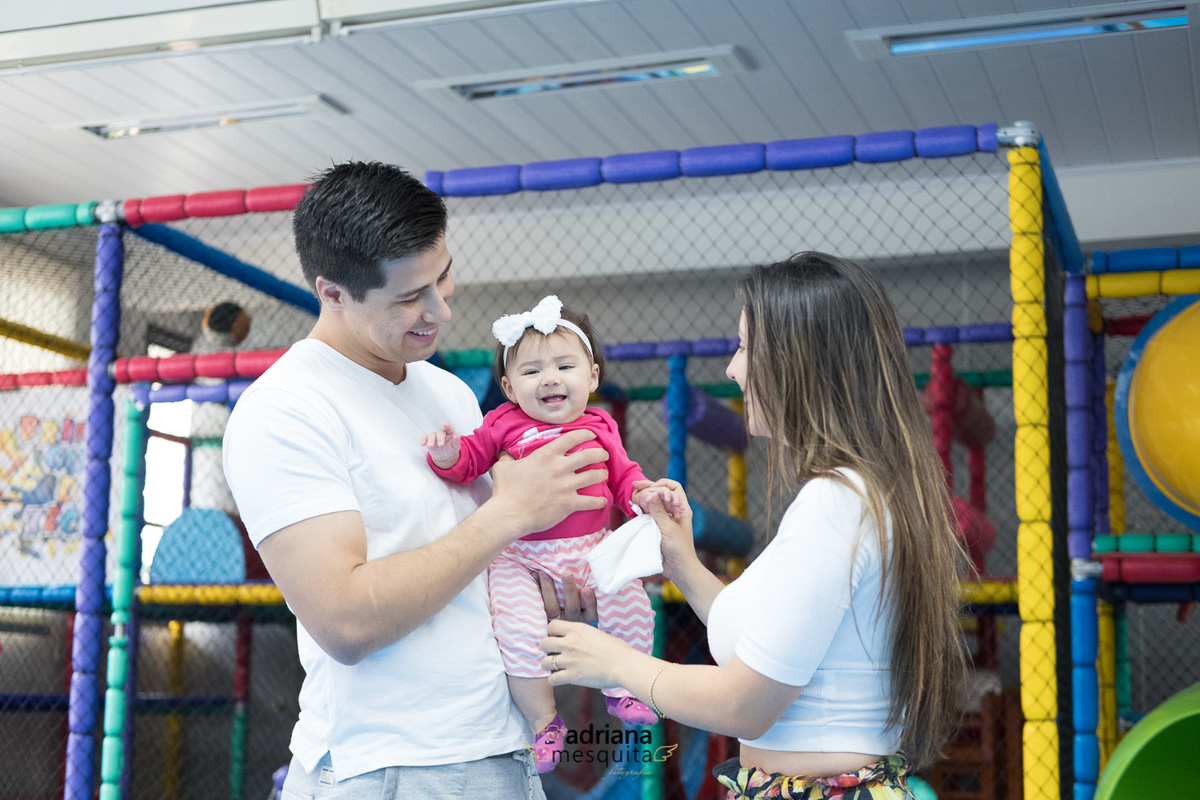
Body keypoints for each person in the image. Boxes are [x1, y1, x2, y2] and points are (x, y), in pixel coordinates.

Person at [222, 162, 612, 800]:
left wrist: (563, 587)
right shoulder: (286, 409)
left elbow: (475, 571)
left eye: (443, 277)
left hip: (500, 744)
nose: (440, 309)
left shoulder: (447, 391)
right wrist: (511, 512)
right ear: (333, 293)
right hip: (391, 768)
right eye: (409, 297)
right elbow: (345, 622)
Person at [540, 252, 966, 799]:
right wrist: (682, 563)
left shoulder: (835, 503)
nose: (731, 369)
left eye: (744, 347)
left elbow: (745, 703)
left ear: (797, 360)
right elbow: (767, 645)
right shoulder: (860, 492)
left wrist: (618, 664)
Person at [421, 294, 685, 773]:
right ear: (508, 387)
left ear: (593, 377)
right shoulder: (501, 424)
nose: (550, 379)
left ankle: (624, 688)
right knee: (516, 630)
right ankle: (545, 722)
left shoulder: (600, 425)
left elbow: (624, 477)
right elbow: (470, 462)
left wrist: (644, 495)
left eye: (565, 366)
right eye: (531, 371)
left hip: (591, 550)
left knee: (632, 603)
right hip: (520, 557)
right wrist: (447, 455)